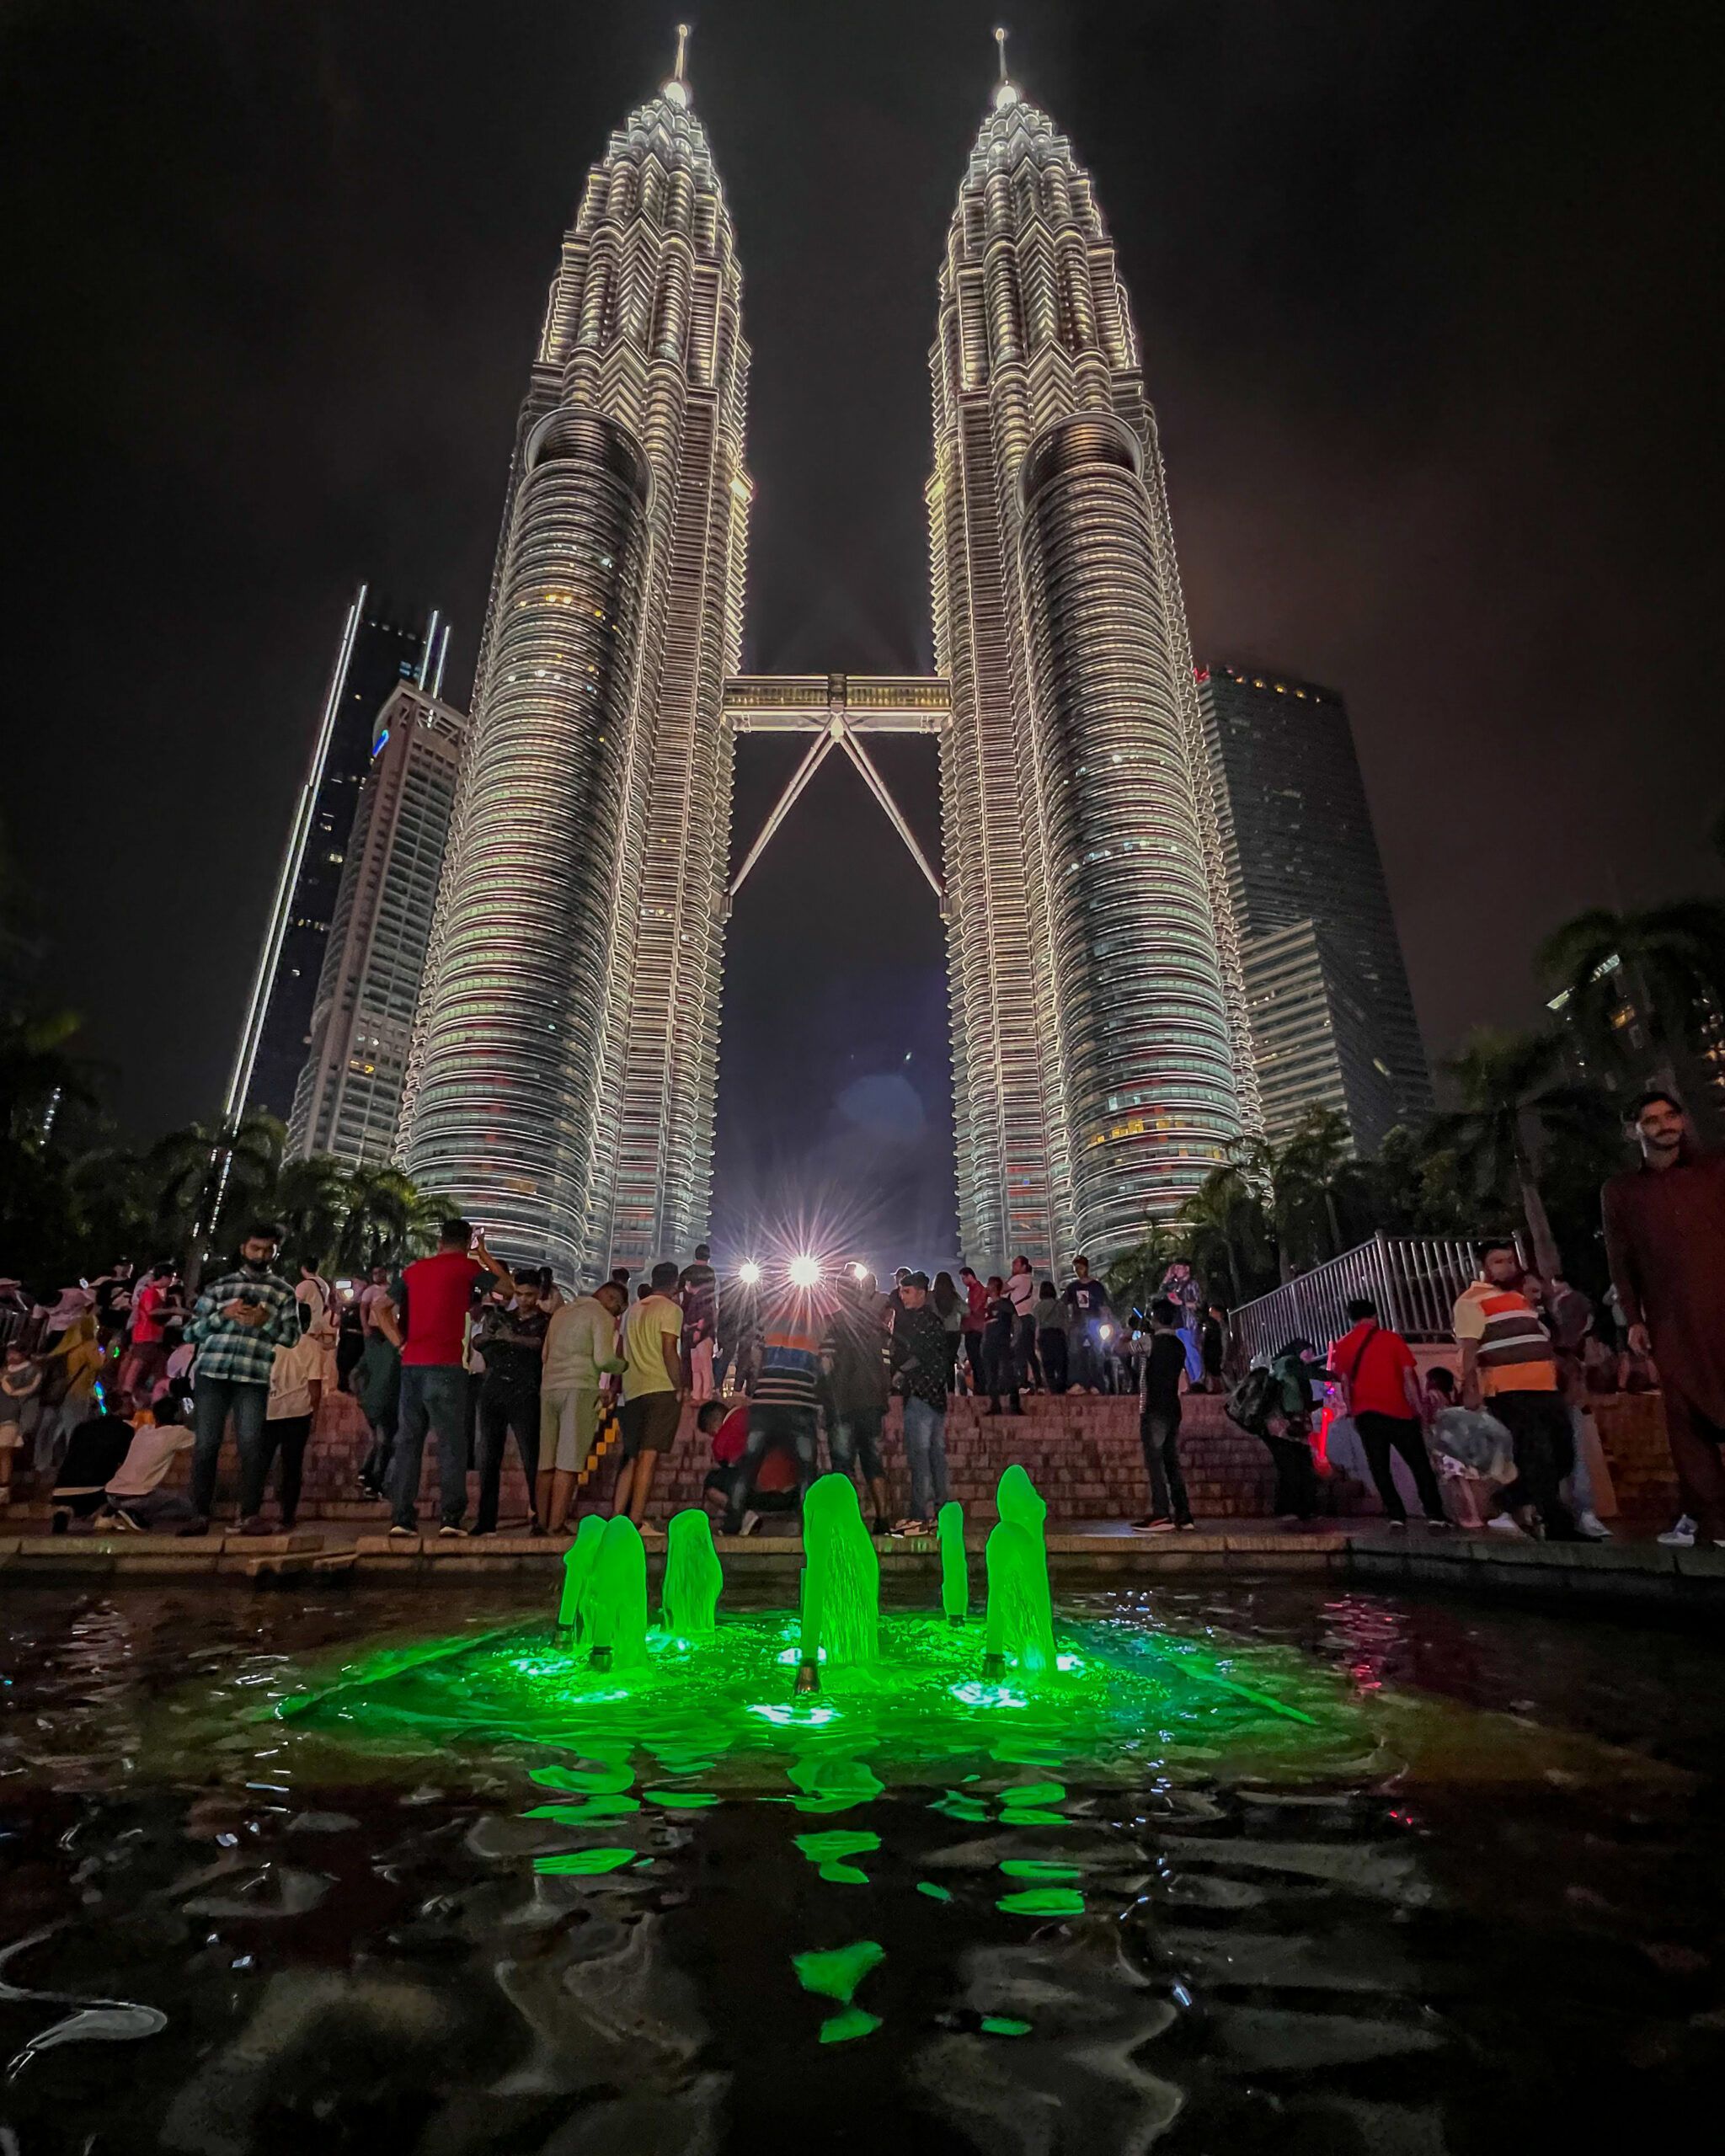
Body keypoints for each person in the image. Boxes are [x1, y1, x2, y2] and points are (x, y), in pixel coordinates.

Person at [1602, 1088, 1725, 1549]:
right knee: (1686, 1419)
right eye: (1651, 1120)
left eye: (1671, 1116)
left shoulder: (1715, 1171)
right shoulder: (1621, 1191)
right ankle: (1713, 1524)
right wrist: (1634, 1318)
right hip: (1670, 1321)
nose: (1664, 1125)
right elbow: (1621, 1258)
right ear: (1636, 1130)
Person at [377, 1217, 512, 1540]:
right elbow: (508, 1289)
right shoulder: (467, 1269)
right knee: (452, 1443)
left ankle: (402, 1519)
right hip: (447, 1365)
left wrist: (400, 1343)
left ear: (439, 1241)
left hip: (412, 1364)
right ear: (467, 1243)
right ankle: (451, 1519)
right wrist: (485, 1255)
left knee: (408, 1442)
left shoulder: (414, 1271)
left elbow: (381, 1309)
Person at [1452, 1240, 1579, 1540]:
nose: (1507, 1266)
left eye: (1510, 1260)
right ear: (1483, 1267)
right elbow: (1469, 1349)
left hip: (1544, 1386)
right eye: (1498, 1261)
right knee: (1539, 1456)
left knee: (1563, 1455)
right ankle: (1559, 1527)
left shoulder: (1518, 1298)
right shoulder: (1471, 1301)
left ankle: (1510, 1499)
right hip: (1509, 1389)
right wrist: (1469, 1388)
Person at [181, 1225, 300, 1534]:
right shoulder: (220, 1287)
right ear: (243, 1248)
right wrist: (225, 1315)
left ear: (276, 1252)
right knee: (206, 1444)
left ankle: (249, 1515)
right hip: (212, 1372)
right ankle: (199, 1515)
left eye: (267, 1250)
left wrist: (267, 1322)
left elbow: (291, 1338)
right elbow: (190, 1332)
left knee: (252, 1445)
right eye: (255, 1248)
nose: (261, 1255)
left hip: (253, 1376)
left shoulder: (283, 1292)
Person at [720, 1278, 826, 1534]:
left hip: (766, 1404)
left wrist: (760, 1384)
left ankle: (732, 1523)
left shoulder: (767, 1318)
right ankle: (809, 1528)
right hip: (801, 1404)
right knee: (806, 1471)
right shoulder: (818, 1322)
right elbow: (825, 1366)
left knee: (748, 1467)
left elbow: (755, 1357)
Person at [1331, 1295, 1447, 1529]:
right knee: (1419, 1464)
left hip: (1366, 1414)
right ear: (1374, 1315)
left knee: (1379, 1466)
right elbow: (1408, 1378)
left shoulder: (1342, 1345)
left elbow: (1344, 1383)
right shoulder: (1392, 1339)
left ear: (1351, 1319)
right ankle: (1435, 1514)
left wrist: (1353, 1411)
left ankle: (1396, 1515)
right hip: (1399, 1412)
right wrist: (1418, 1410)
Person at [538, 1277, 627, 1534]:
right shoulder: (600, 1315)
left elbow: (545, 1355)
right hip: (579, 1388)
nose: (617, 1313)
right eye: (618, 1306)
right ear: (609, 1298)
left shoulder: (561, 1313)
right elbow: (603, 1358)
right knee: (569, 1460)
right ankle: (556, 1525)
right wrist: (622, 1365)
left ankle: (541, 1522)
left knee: (546, 1461)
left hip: (550, 1388)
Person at [471, 1267, 547, 1534]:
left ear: (538, 1294)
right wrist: (491, 1336)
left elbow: (541, 1345)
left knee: (531, 1458)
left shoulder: (545, 1321)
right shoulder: (501, 1317)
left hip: (525, 1392)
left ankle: (539, 1516)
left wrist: (511, 1338)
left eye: (529, 1295)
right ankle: (486, 1521)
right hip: (494, 1388)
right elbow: (478, 1342)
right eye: (519, 1294)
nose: (524, 1300)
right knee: (488, 1458)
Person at [613, 1261, 686, 1533]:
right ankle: (635, 1520)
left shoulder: (631, 1311)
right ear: (675, 1284)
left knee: (632, 1456)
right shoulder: (671, 1310)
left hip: (632, 1390)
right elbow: (669, 1350)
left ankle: (617, 1516)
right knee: (648, 1456)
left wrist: (615, 1389)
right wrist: (679, 1385)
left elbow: (619, 1354)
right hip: (659, 1387)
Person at [250, 1304, 331, 1534]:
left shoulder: (268, 1343)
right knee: (292, 1466)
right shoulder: (311, 1347)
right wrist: (315, 1414)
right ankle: (287, 1516)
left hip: (269, 1411)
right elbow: (314, 1385)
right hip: (298, 1412)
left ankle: (250, 1513)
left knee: (259, 1464)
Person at [822, 1273, 892, 1534]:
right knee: (873, 1461)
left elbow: (827, 1366)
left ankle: (848, 1520)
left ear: (839, 1293)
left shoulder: (835, 1325)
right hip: (872, 1403)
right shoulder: (872, 1324)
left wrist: (826, 1399)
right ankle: (883, 1517)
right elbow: (885, 1361)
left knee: (842, 1464)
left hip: (843, 1404)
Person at [888, 1271, 949, 1533]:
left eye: (908, 1291)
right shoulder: (935, 1320)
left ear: (922, 1293)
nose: (903, 1297)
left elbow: (918, 1354)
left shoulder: (914, 1321)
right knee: (936, 1457)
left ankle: (919, 1517)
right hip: (936, 1397)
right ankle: (941, 1514)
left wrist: (899, 1374)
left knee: (920, 1456)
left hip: (920, 1395)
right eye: (902, 1291)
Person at [1135, 1298, 1195, 1531]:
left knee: (1155, 1461)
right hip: (1173, 1406)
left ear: (1155, 1319)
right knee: (1172, 1462)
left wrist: (1128, 1334)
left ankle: (1161, 1513)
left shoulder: (1149, 1341)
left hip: (1154, 1408)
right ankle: (1184, 1514)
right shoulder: (1179, 1345)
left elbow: (1120, 1348)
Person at [101, 1404, 197, 1532]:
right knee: (189, 1507)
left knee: (162, 1496)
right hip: (137, 1497)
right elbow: (201, 1437)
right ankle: (133, 1514)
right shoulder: (177, 1433)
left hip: (112, 1494)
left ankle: (115, 1513)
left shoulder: (143, 1430)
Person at [1259, 1340, 1322, 1521]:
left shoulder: (1284, 1367)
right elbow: (1311, 1382)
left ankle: (1300, 1508)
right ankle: (1294, 1508)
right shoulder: (1290, 1363)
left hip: (1289, 1424)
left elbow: (1309, 1395)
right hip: (1285, 1424)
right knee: (1294, 1465)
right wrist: (1331, 1376)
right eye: (1308, 1353)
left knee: (1296, 1464)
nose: (1310, 1357)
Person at [49, 1409, 136, 1531]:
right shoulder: (124, 1430)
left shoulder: (81, 1427)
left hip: (61, 1490)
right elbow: (127, 1462)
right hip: (94, 1491)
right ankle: (105, 1516)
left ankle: (63, 1510)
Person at [355, 1311, 401, 1502]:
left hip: (371, 1402)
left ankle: (366, 1474)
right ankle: (374, 1480)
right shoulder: (394, 1348)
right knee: (386, 1442)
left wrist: (361, 1396)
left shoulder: (372, 1349)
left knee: (380, 1440)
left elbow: (355, 1374)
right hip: (387, 1401)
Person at [1061, 1256, 1113, 1392]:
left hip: (1095, 1323)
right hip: (1078, 1323)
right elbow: (1063, 1305)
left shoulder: (1096, 1286)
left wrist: (1105, 1322)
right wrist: (1067, 1323)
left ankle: (1097, 1384)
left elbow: (1103, 1306)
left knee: (1096, 1353)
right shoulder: (1072, 1287)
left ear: (1087, 1267)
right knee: (1075, 1353)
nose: (1079, 1271)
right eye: (1076, 1268)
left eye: (1081, 1268)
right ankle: (1078, 1383)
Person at [0, 1342, 43, 1499]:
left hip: (13, 1418)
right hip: (3, 1415)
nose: (10, 1356)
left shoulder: (32, 1373)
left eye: (14, 1352)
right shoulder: (4, 1371)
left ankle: (4, 1489)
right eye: (9, 1352)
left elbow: (28, 1398)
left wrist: (24, 1428)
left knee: (4, 1451)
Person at [679, 1244, 719, 1402]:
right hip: (705, 1322)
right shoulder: (710, 1273)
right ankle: (705, 1394)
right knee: (704, 1362)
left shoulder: (686, 1272)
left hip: (687, 1319)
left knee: (689, 1359)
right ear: (708, 1257)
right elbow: (711, 1301)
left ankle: (690, 1390)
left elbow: (679, 1292)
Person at [980, 1275, 1023, 1416]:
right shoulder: (988, 1306)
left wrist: (1014, 1341)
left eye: (989, 1285)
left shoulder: (1005, 1305)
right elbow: (985, 1326)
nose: (987, 1287)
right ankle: (995, 1405)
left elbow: (1016, 1323)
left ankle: (1015, 1405)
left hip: (1003, 1343)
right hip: (990, 1345)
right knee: (991, 1376)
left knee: (1008, 1374)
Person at [1007, 1255, 1042, 1389]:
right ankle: (1037, 1381)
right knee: (1029, 1352)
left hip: (1020, 1318)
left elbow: (1003, 1289)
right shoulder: (1030, 1281)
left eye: (1016, 1264)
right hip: (1029, 1319)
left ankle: (1022, 1381)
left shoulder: (1019, 1278)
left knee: (1019, 1350)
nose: (1013, 1267)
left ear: (1024, 1266)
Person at [932, 1271, 964, 1395]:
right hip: (953, 1334)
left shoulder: (932, 1296)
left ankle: (938, 1392)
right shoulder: (954, 1296)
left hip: (937, 1333)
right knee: (950, 1363)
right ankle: (951, 1392)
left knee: (937, 1363)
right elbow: (966, 1310)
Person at [957, 1267, 987, 1395]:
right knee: (975, 1361)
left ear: (970, 1276)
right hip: (972, 1328)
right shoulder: (972, 1291)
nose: (963, 1281)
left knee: (977, 1361)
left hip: (975, 1329)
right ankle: (979, 1388)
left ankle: (981, 1389)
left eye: (964, 1278)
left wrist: (965, 1313)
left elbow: (974, 1309)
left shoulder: (979, 1290)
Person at [1033, 1278, 1067, 1394]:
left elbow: (1037, 1325)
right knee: (1061, 1362)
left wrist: (1036, 1340)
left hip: (1045, 1335)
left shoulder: (1038, 1307)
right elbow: (1065, 1322)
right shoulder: (1061, 1305)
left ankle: (1053, 1388)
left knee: (1048, 1363)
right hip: (1058, 1335)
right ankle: (1061, 1388)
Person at [1200, 1305, 1226, 1393]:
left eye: (1212, 1312)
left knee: (1222, 1374)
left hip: (1216, 1353)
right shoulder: (1211, 1326)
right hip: (1211, 1353)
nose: (1210, 1314)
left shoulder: (1221, 1326)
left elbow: (1224, 1342)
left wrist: (1224, 1356)